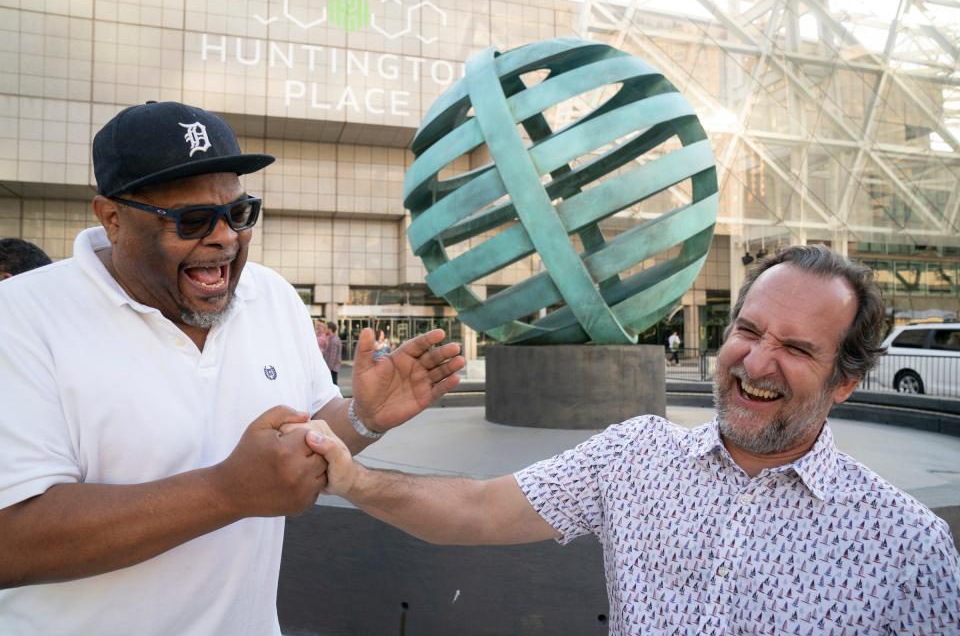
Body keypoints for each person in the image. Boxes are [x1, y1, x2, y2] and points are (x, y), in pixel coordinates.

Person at [298, 245, 960, 634]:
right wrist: (354, 478)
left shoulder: (906, 548)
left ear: (843, 383)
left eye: (795, 348)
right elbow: (475, 510)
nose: (757, 364)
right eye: (750, 332)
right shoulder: (636, 457)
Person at [0, 101, 465, 635]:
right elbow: (10, 541)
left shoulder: (271, 296)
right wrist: (226, 492)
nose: (224, 237)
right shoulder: (20, 317)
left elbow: (301, 448)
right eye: (192, 220)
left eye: (239, 214)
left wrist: (363, 418)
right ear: (112, 218)